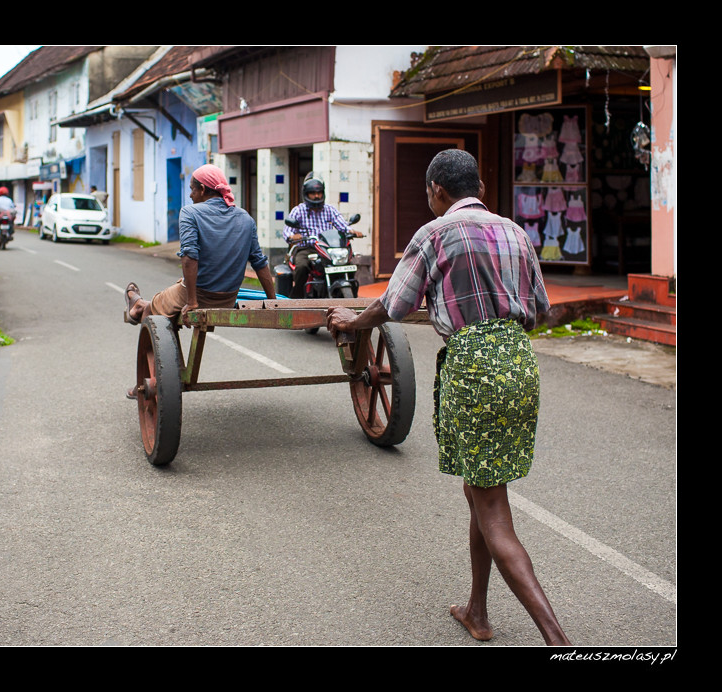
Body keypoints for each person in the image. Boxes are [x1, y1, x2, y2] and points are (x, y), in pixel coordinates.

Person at [326, 149, 570, 646]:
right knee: (479, 490)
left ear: (438, 190)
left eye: (428, 192)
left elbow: (392, 304)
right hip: (520, 362)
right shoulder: (516, 232)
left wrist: (351, 322)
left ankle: (559, 641)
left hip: (475, 366)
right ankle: (477, 612)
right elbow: (542, 309)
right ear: (478, 185)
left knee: (494, 510)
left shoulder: (434, 234)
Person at [124, 164, 277, 396]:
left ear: (204, 190)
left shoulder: (190, 213)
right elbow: (259, 262)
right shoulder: (245, 218)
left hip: (197, 294)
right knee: (169, 294)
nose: (190, 195)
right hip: (227, 297)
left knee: (151, 313)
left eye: (192, 189)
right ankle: (137, 304)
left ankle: (139, 315)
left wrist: (193, 301)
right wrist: (272, 300)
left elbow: (189, 257)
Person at [284, 173, 363, 298]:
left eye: (319, 193)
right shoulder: (298, 210)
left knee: (348, 264)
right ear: (306, 194)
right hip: (307, 247)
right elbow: (287, 231)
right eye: (313, 193)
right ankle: (296, 298)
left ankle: (352, 297)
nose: (316, 196)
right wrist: (292, 236)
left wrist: (351, 231)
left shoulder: (329, 209)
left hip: (328, 248)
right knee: (302, 267)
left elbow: (342, 225)